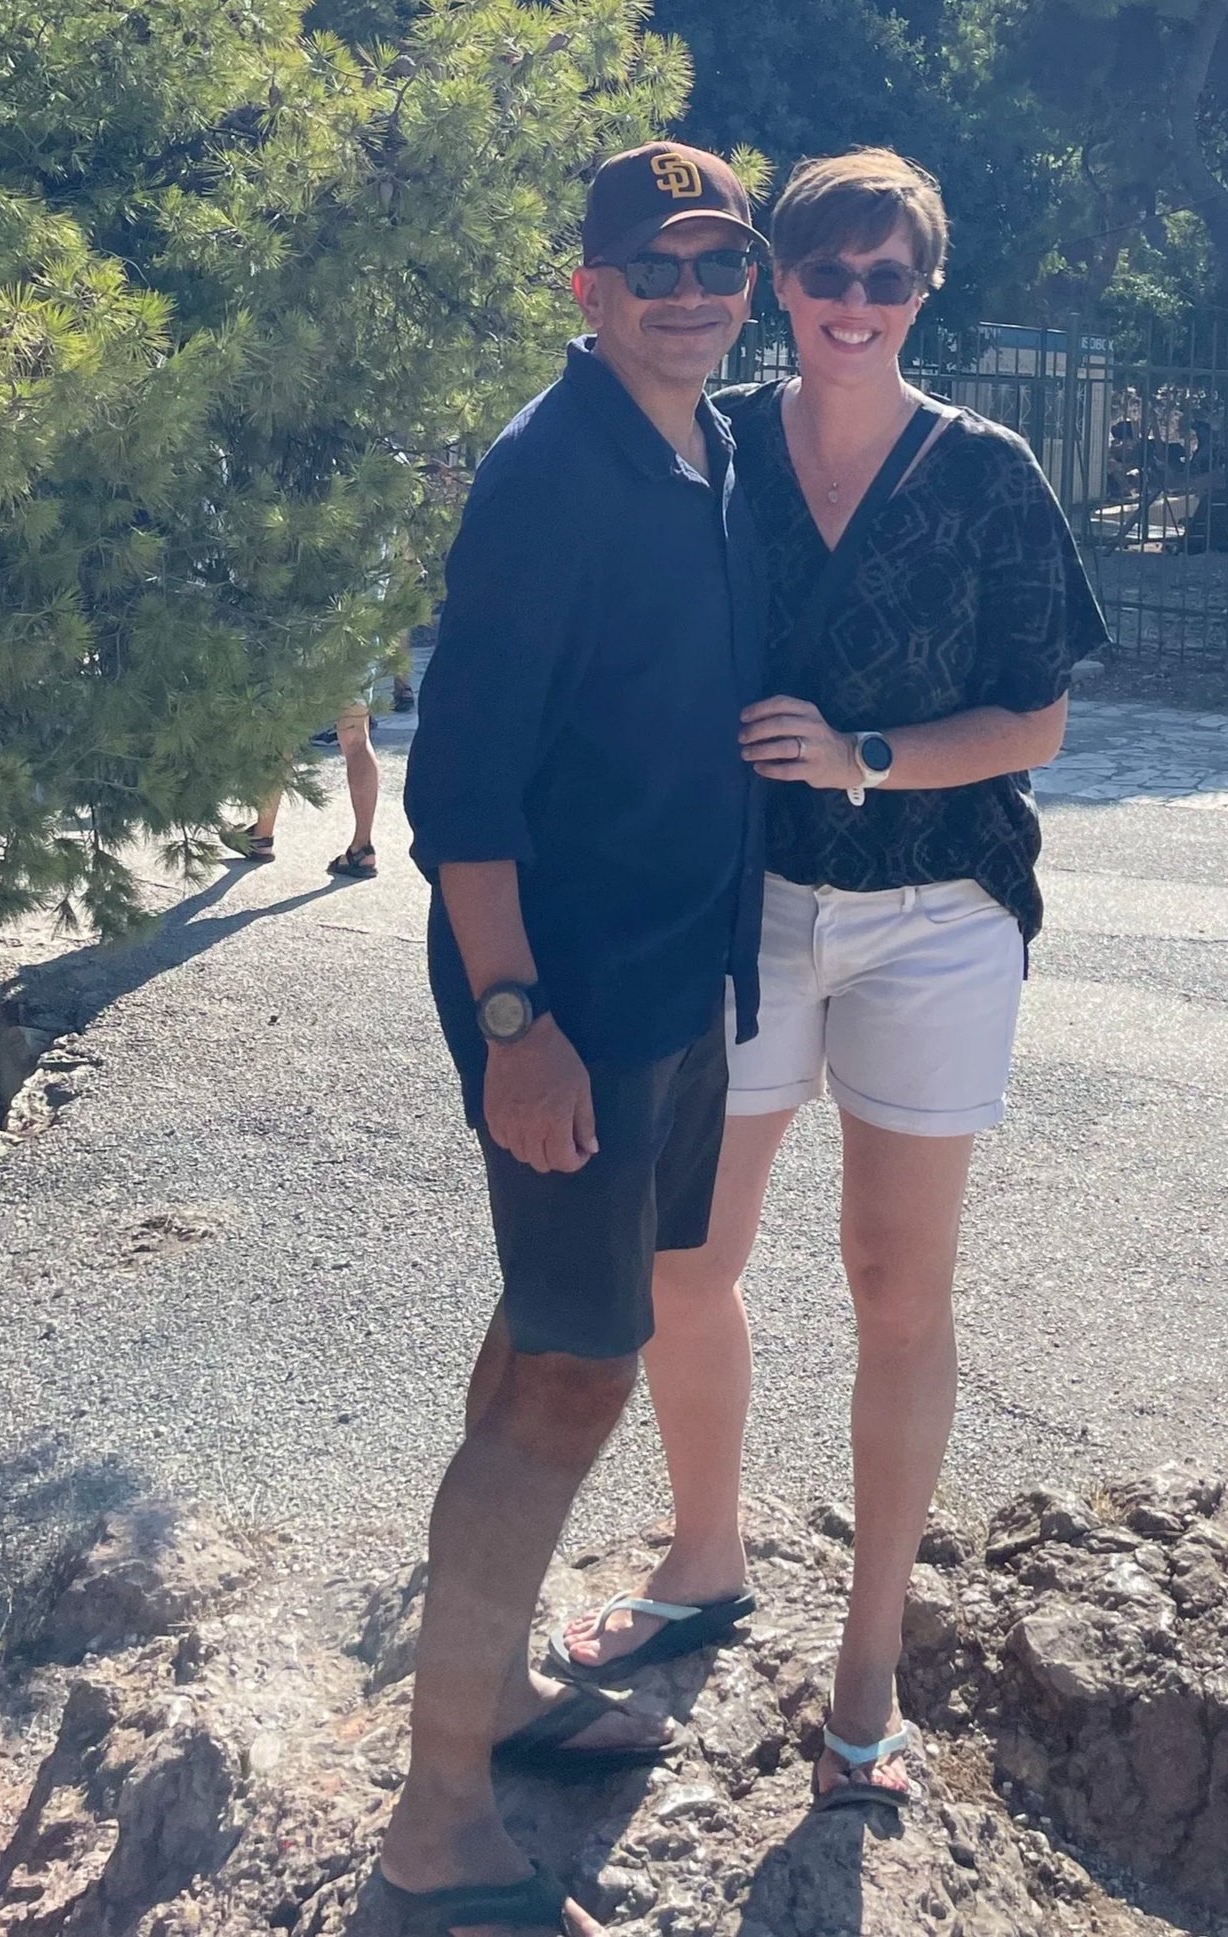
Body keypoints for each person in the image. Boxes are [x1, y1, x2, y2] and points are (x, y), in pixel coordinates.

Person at [549, 147, 1107, 1814]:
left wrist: (866, 753)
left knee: (895, 1284)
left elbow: (1037, 723)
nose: (853, 303)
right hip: (743, 905)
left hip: (937, 912)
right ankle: (704, 1556)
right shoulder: (713, 453)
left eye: (888, 278)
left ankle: (866, 1669)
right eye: (825, 273)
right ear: (779, 284)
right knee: (685, 1256)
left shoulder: (990, 471)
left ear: (924, 291)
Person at [378, 144, 767, 1937]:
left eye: (723, 258)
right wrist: (517, 1027)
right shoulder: (551, 476)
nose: (695, 289)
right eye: (657, 262)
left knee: (547, 1330)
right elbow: (460, 784)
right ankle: (437, 1822)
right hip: (577, 1012)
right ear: (586, 285)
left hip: (672, 993)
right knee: (571, 1378)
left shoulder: (705, 450)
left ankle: (501, 1694)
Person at [228, 681, 386, 879]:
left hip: (296, 653)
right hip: (355, 651)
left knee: (281, 732)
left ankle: (262, 836)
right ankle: (362, 849)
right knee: (357, 739)